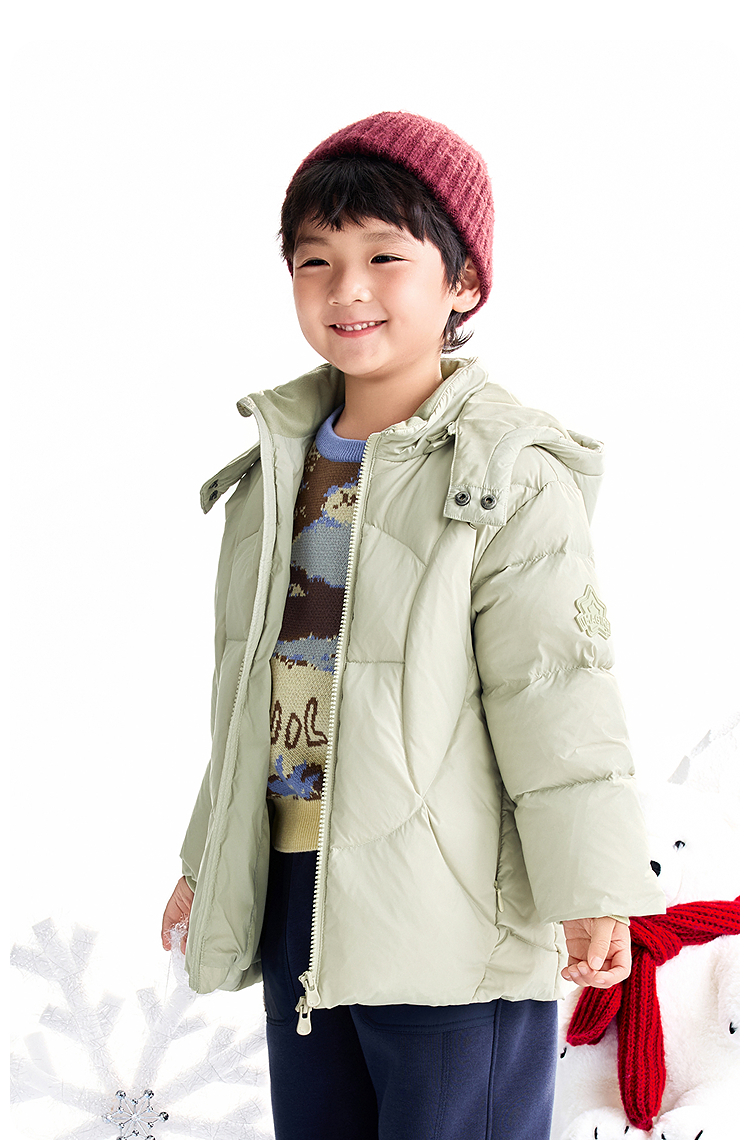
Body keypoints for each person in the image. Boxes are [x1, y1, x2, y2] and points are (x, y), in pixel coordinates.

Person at [161, 110, 666, 1139]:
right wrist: (205, 860)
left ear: (463, 282)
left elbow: (554, 693)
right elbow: (250, 694)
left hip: (451, 912)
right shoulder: (277, 469)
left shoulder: (507, 474)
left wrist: (592, 886)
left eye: (385, 257)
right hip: (299, 895)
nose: (347, 288)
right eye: (316, 260)